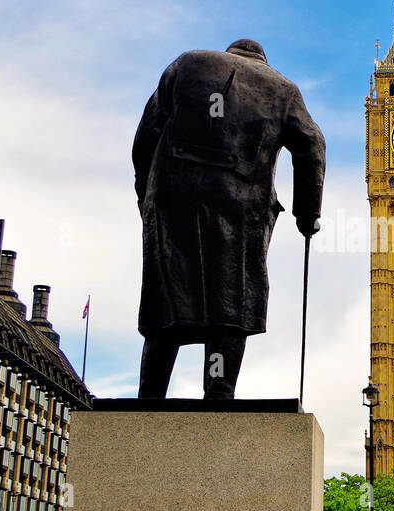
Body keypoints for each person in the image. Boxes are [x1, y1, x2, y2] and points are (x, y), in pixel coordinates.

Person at [133, 38, 326, 400]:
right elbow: (312, 144)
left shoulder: (187, 62)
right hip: (241, 204)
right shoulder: (283, 89)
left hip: (172, 196)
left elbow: (146, 134)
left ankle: (149, 395)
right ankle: (218, 392)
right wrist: (307, 213)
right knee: (232, 298)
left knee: (167, 295)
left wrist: (146, 192)